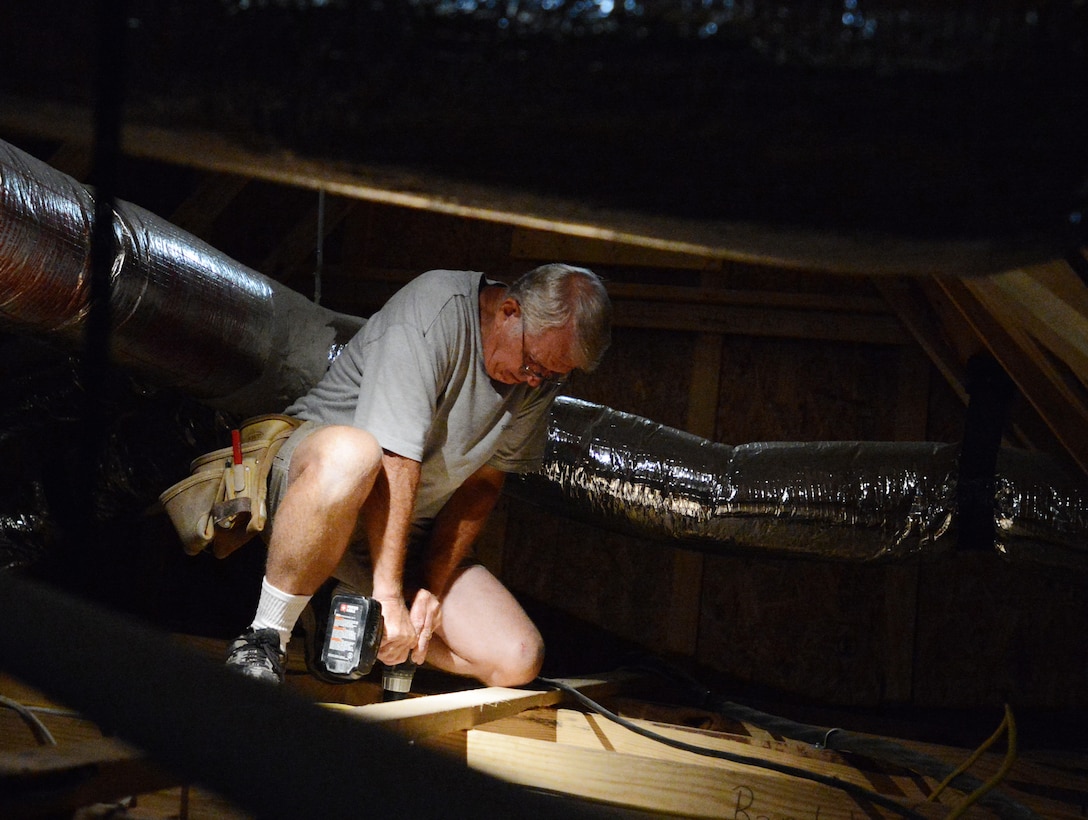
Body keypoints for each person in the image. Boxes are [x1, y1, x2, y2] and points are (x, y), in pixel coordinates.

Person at [224, 264, 611, 687]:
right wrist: (389, 593)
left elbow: (482, 485)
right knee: (355, 453)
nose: (534, 380)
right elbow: (395, 457)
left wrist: (428, 588)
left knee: (517, 657)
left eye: (552, 376)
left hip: (400, 531)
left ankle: (351, 628)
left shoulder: (538, 380)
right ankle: (264, 636)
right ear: (510, 311)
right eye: (533, 364)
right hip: (318, 494)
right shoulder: (435, 308)